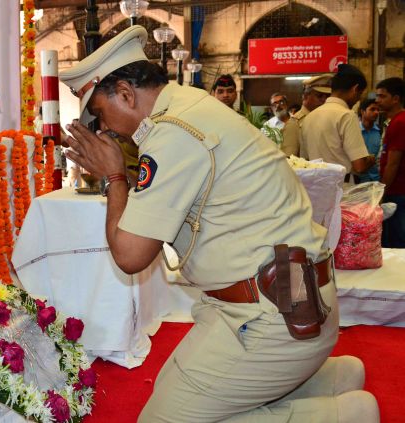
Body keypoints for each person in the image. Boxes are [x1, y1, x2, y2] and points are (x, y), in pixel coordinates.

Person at [59, 25, 377, 423]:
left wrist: (115, 177)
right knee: (169, 394)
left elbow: (130, 255)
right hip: (290, 302)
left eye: (102, 114)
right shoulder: (189, 105)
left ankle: (343, 416)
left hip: (274, 320)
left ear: (125, 93)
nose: (104, 129)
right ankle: (333, 386)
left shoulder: (173, 134)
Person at [300, 64, 375, 183]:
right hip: (341, 188)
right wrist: (371, 160)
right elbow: (359, 166)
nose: (358, 100)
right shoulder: (347, 115)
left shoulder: (309, 118)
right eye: (359, 94)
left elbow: (305, 159)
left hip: (315, 187)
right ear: (355, 89)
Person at [376, 77, 405, 248]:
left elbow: (393, 163)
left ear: (396, 98)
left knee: (397, 240)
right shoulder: (394, 121)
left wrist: (382, 191)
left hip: (398, 192)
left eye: (382, 96)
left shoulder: (400, 122)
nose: (377, 100)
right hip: (396, 190)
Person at [281, 74, 332, 156]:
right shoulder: (295, 124)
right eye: (319, 96)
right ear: (305, 96)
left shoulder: (329, 118)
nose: (324, 100)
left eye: (327, 96)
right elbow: (289, 157)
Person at [356, 97, 381, 183]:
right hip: (357, 180)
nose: (376, 112)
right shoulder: (355, 131)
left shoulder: (379, 132)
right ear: (362, 111)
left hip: (375, 179)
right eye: (372, 109)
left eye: (378, 110)